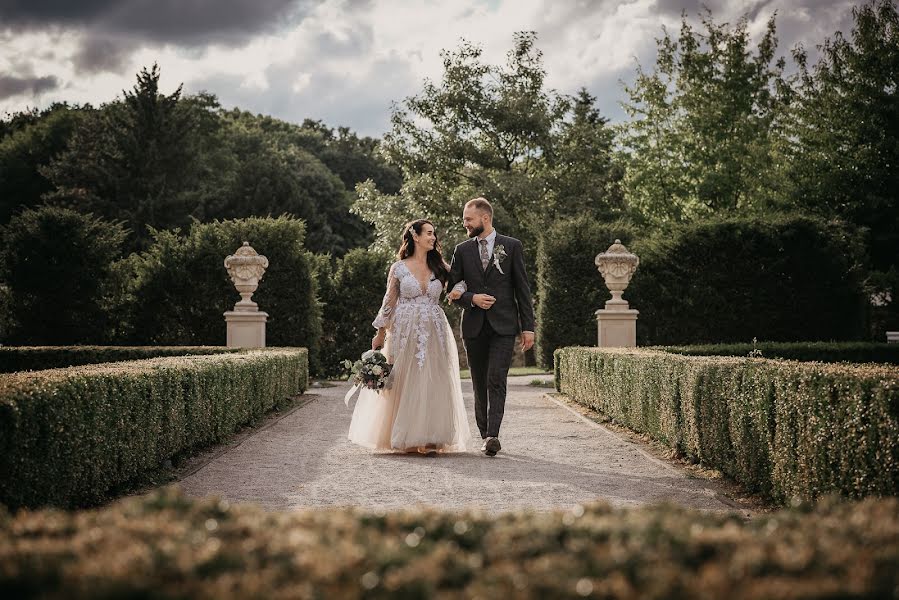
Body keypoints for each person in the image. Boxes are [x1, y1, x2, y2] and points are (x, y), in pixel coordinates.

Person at [347, 219, 470, 454]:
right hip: (404, 330)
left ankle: (432, 437)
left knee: (433, 378)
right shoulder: (399, 268)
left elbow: (462, 282)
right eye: (429, 233)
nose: (433, 238)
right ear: (415, 236)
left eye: (434, 234)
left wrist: (457, 291)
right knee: (406, 379)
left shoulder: (441, 267)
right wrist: (380, 332)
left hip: (434, 329)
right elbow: (389, 301)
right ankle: (409, 437)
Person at [447, 197, 535, 457]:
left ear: (484, 218)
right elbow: (451, 290)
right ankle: (485, 432)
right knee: (478, 382)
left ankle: (493, 436)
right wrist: (470, 298)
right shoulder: (462, 250)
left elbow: (523, 289)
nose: (465, 224)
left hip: (504, 326)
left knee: (497, 378)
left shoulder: (512, 246)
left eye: (468, 219)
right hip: (473, 327)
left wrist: (527, 327)